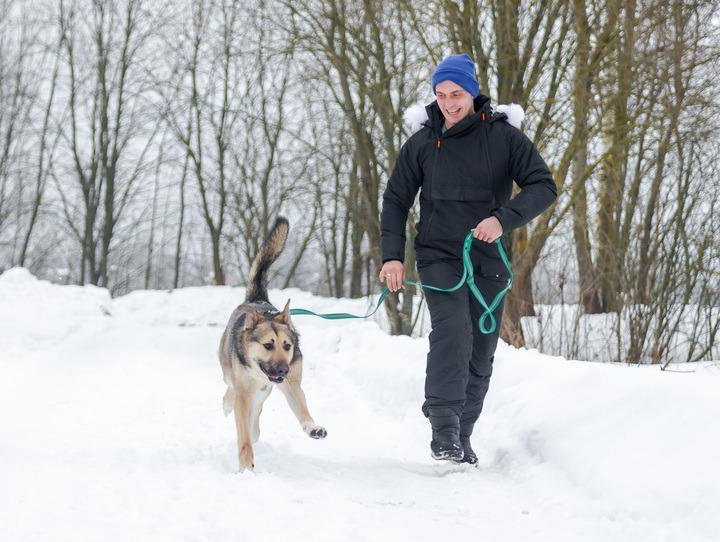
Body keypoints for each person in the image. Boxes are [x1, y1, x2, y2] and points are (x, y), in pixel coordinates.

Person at [379, 53, 557, 464]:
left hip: (490, 258)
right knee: (453, 330)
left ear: (473, 93)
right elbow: (395, 199)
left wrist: (502, 218)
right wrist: (392, 257)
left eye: (456, 94)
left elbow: (543, 186)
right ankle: (443, 428)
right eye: (440, 95)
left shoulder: (504, 138)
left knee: (481, 346)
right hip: (439, 253)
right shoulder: (423, 141)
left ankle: (464, 431)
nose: (448, 103)